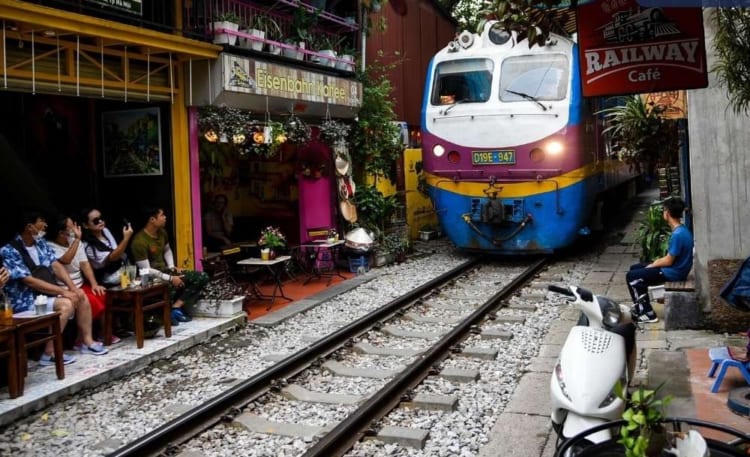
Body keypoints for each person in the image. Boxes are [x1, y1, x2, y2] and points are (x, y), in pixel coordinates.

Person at [0, 211, 107, 365]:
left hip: (42, 296)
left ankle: (87, 342)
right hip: (24, 302)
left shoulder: (40, 243)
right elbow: (29, 281)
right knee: (66, 304)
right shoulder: (9, 250)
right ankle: (49, 353)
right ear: (30, 227)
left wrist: (71, 288)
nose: (45, 225)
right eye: (41, 222)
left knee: (80, 294)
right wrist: (63, 291)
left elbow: (56, 265)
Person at [130, 207, 208, 326]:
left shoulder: (162, 232)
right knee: (169, 285)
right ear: (152, 219)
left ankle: (175, 308)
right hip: (149, 277)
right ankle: (164, 314)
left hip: (165, 271)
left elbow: (167, 250)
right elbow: (146, 270)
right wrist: (171, 279)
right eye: (162, 215)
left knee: (201, 277)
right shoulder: (139, 241)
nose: (165, 217)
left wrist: (172, 267)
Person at [627, 197, 694, 323]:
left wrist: (653, 265)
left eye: (664, 210)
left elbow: (669, 261)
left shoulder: (678, 235)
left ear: (667, 213)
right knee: (635, 268)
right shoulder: (682, 230)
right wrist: (653, 264)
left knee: (632, 277)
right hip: (676, 269)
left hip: (674, 273)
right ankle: (643, 308)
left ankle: (647, 313)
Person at [47, 215, 112, 345]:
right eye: (71, 226)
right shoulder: (50, 246)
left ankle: (105, 334)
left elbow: (85, 264)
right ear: (61, 232)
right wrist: (76, 240)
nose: (75, 228)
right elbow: (66, 259)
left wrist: (94, 284)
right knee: (90, 300)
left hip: (80, 283)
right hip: (63, 287)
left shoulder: (76, 241)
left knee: (102, 294)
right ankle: (81, 338)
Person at [80, 208, 134, 286]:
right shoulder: (87, 245)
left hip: (120, 268)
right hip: (107, 276)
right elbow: (113, 257)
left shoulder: (105, 230)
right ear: (85, 225)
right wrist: (126, 239)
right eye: (95, 221)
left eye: (101, 218)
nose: (100, 221)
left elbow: (116, 251)